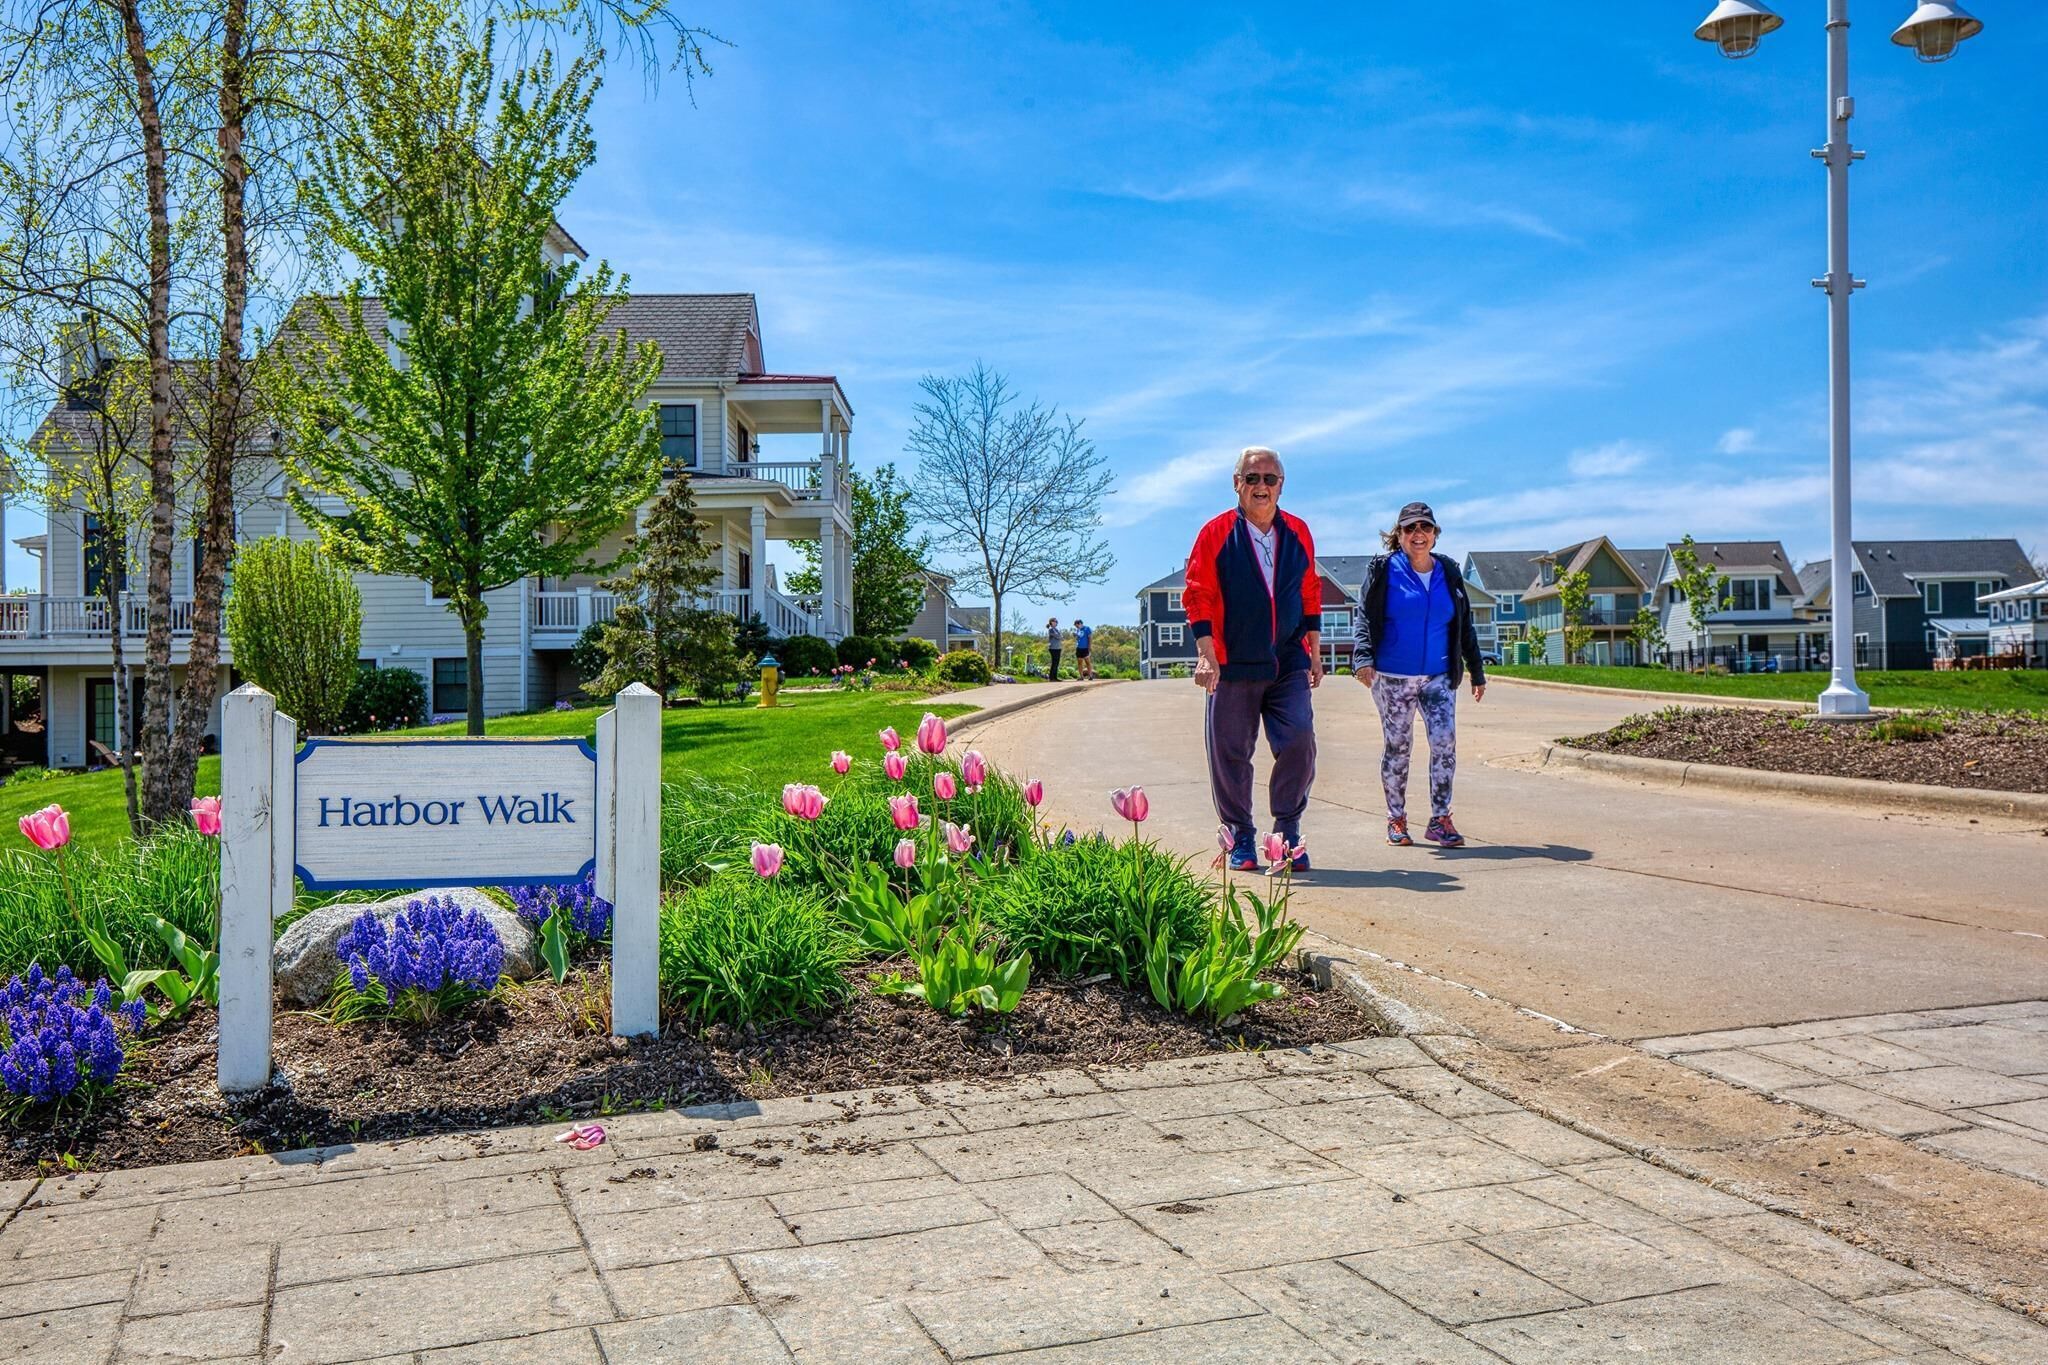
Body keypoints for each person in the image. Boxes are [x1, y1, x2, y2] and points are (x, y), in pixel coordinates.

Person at [1184, 446, 1321, 872]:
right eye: (1252, 478)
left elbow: (1309, 591)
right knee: (1230, 752)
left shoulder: (1297, 531)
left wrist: (1314, 652)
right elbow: (1198, 594)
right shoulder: (1216, 532)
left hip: (1287, 661)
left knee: (1299, 740)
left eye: (1270, 478)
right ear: (1237, 483)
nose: (1261, 486)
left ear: (1282, 485)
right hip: (1233, 663)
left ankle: (1287, 831)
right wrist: (1207, 657)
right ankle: (1240, 834)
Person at [1352, 502, 1486, 848]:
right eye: (1410, 528)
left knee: (1445, 742)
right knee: (1398, 746)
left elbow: (1463, 624)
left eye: (1425, 527)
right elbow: (1365, 616)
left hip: (1439, 675)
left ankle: (1440, 819)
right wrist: (1363, 658)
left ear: (1435, 534)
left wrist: (1476, 669)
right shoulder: (1384, 569)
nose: (1418, 534)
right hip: (1393, 675)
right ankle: (1396, 818)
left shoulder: (1449, 571)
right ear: (1398, 535)